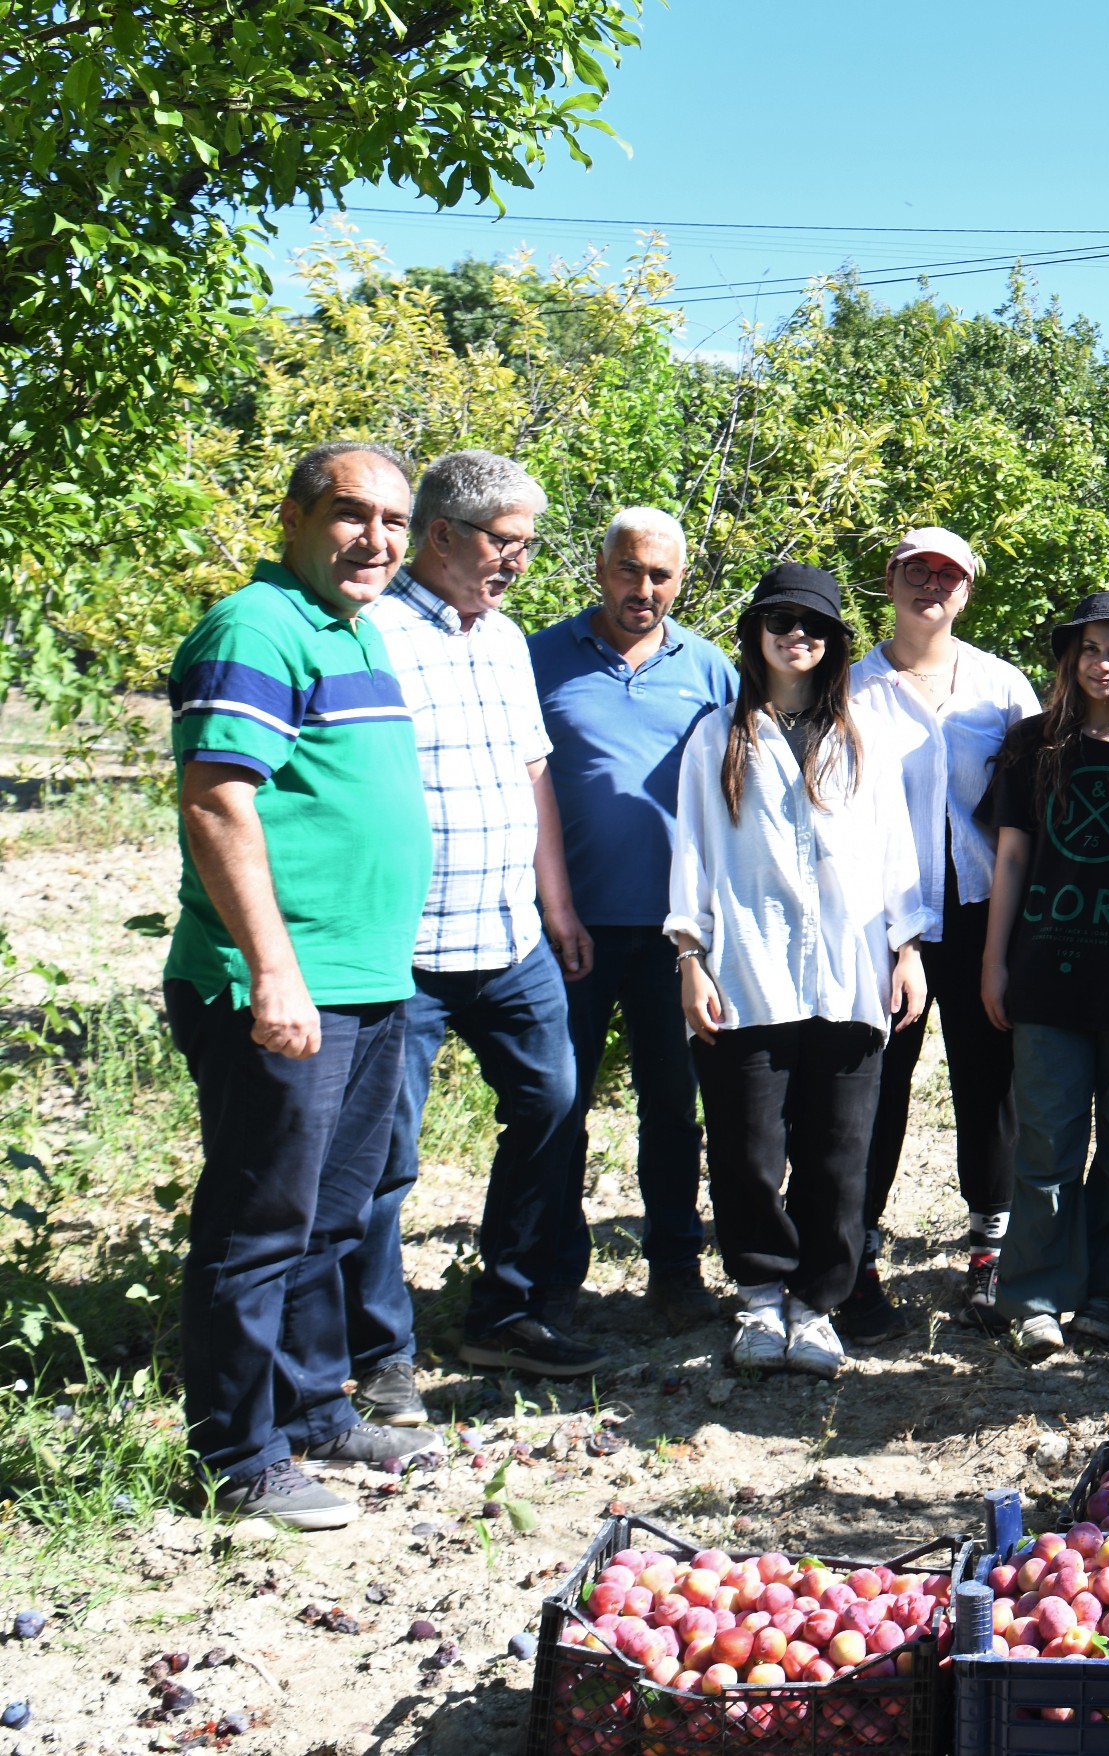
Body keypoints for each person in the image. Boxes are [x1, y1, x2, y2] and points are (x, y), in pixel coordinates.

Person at [167, 440, 440, 1530]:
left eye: (391, 520)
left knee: (333, 1214)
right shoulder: (256, 626)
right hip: (283, 985)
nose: (374, 539)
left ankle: (314, 1409)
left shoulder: (353, 630)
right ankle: (237, 1455)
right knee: (258, 1221)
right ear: (290, 514)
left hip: (365, 979)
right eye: (349, 513)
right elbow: (217, 800)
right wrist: (274, 971)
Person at [357, 450, 606, 1406]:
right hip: (402, 947)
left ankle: (504, 1310)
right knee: (387, 1157)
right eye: (506, 543)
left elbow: (531, 772)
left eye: (529, 547)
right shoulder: (370, 632)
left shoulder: (506, 640)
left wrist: (558, 903)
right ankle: (380, 1352)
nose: (518, 563)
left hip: (508, 937)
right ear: (442, 535)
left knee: (550, 1106)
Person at [667, 564, 928, 1377]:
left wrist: (907, 946)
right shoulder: (718, 736)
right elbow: (692, 853)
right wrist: (690, 957)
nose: (797, 636)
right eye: (780, 620)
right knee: (746, 1151)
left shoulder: (863, 737)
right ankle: (757, 1297)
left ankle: (817, 1306)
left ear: (836, 641)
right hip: (746, 971)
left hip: (849, 974)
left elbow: (896, 851)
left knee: (839, 1151)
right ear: (755, 635)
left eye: (814, 625)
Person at [530, 507, 737, 1334]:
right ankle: (549, 1276)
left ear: (680, 580)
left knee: (672, 1105)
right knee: (556, 1104)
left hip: (676, 935)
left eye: (660, 575)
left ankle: (677, 1269)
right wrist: (553, 908)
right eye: (627, 569)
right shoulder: (540, 658)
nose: (641, 589)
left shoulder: (712, 670)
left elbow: (736, 795)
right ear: (599, 566)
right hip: (564, 928)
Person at [849, 527, 1039, 1341]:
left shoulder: (999, 687)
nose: (931, 585)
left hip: (978, 911)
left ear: (967, 591)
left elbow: (1033, 798)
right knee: (873, 1087)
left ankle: (989, 1255)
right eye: (916, 571)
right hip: (880, 915)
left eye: (948, 575)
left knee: (987, 1083)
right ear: (889, 580)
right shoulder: (850, 684)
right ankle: (851, 1258)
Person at [983, 592, 1109, 1362]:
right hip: (1045, 974)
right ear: (1070, 659)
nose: (1106, 664)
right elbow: (1010, 857)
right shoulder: (1032, 745)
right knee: (1047, 1144)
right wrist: (993, 960)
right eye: (1092, 649)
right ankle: (1036, 1294)